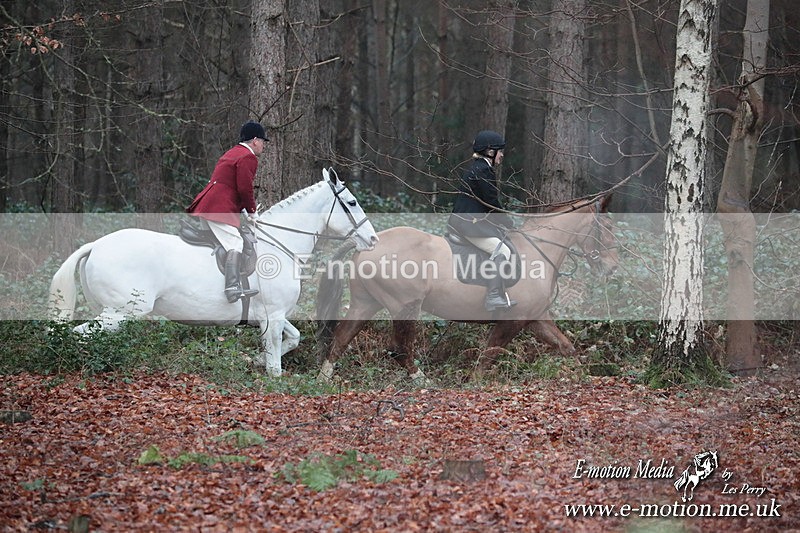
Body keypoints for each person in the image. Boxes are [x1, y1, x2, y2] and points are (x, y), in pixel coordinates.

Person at [187, 120, 268, 303]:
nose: (263, 145)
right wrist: (253, 212)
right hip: (219, 207)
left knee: (218, 244)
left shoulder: (233, 153)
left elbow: (231, 186)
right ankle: (232, 288)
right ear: (255, 140)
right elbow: (244, 189)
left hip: (208, 204)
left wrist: (244, 212)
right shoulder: (248, 157)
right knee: (235, 243)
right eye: (263, 141)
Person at [447, 130, 517, 312]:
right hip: (469, 226)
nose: (502, 155)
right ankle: (493, 296)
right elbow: (491, 204)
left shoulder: (476, 168)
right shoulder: (484, 170)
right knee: (501, 249)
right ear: (490, 152)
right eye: (499, 151)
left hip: (467, 222)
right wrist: (509, 223)